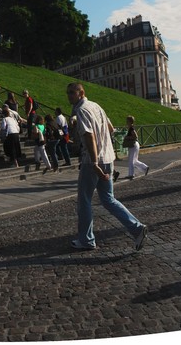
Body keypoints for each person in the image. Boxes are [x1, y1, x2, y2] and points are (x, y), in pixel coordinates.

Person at [69, 83, 147, 251]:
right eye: (68, 93)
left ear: (81, 93)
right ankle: (137, 227)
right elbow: (111, 129)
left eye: (72, 93)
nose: (69, 97)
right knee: (109, 199)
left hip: (93, 161)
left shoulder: (81, 110)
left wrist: (94, 162)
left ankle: (87, 240)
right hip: (108, 158)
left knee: (84, 200)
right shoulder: (96, 106)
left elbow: (89, 137)